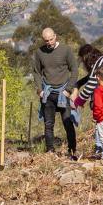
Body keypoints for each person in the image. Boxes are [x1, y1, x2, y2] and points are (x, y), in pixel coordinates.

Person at [33, 27, 78, 158]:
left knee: (68, 123)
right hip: (47, 93)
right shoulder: (39, 52)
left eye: (51, 39)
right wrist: (40, 90)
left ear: (55, 36)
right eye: (46, 40)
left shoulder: (66, 50)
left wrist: (68, 89)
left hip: (63, 92)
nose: (49, 42)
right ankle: (50, 152)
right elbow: (36, 72)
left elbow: (74, 70)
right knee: (48, 124)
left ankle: (72, 151)